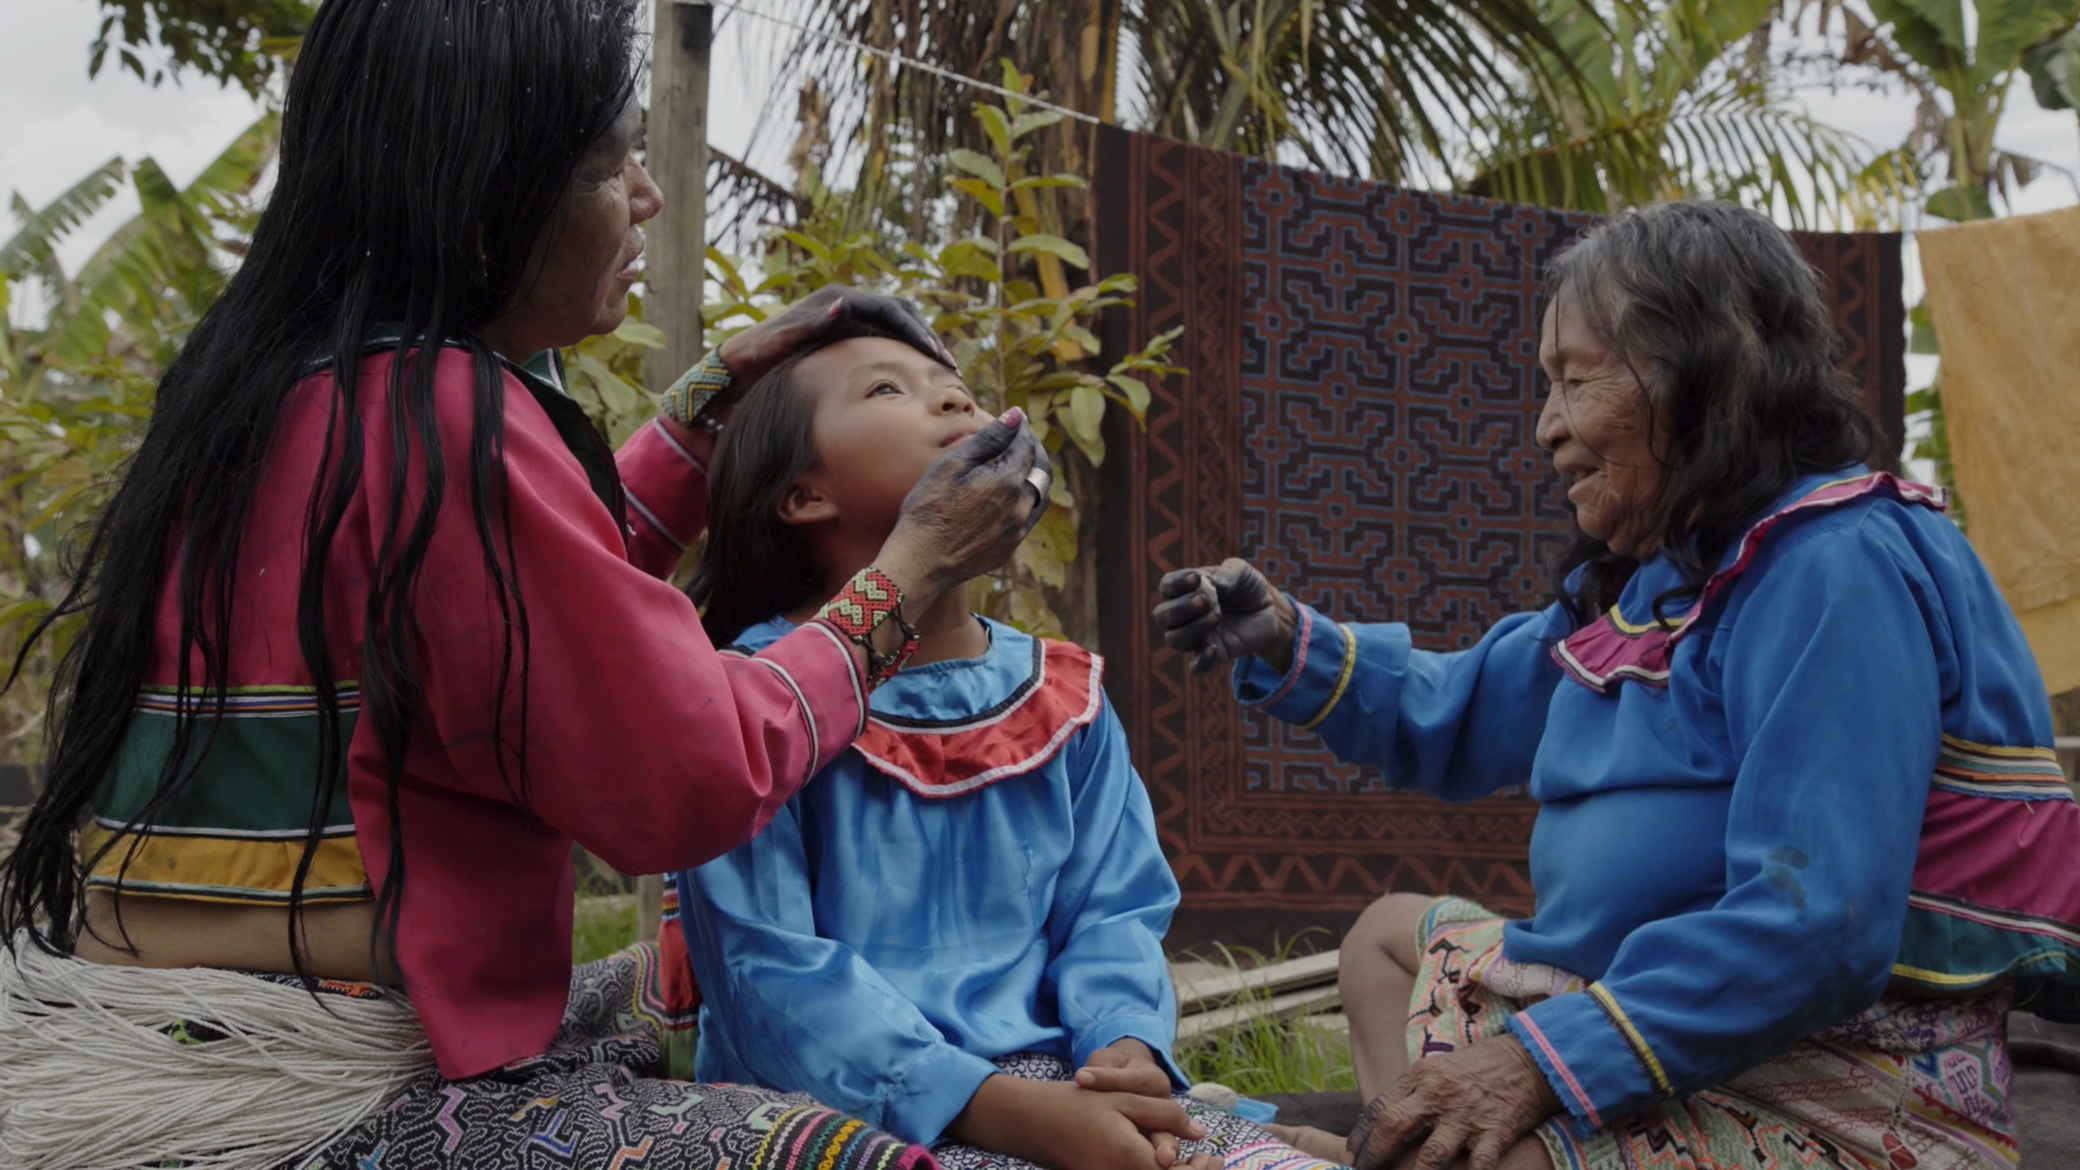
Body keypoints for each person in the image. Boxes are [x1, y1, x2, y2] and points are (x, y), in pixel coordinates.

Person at [0, 2, 1045, 1168]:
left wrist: (708, 407)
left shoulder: (277, 389)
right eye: (606, 164)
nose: (646, 197)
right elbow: (678, 772)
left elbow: (523, 613)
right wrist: (910, 570)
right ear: (485, 193)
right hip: (319, 1079)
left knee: (671, 991)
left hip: (159, 1023)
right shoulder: (446, 417)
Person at [1154, 200, 2080, 1170]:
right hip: (1653, 1007)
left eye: (1575, 379)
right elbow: (1460, 709)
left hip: (1847, 1065)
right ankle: (1399, 1153)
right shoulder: (1656, 580)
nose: (1547, 426)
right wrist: (1288, 642)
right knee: (1385, 944)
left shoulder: (1837, 564)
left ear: (1703, 372)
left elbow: (1819, 925)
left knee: (1493, 1157)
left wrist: (1537, 1064)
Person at [668, 324, 1341, 1170]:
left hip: (1067, 1090)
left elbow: (1113, 912)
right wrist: (1000, 1109)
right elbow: (765, 974)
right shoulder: (752, 704)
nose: (954, 397)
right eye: (887, 389)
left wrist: (1122, 1048)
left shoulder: (1064, 698)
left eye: (954, 385)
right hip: (843, 1119)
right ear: (803, 496)